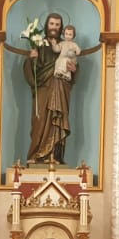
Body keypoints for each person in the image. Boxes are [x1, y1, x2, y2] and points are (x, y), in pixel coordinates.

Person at [25, 11, 71, 163]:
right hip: (43, 88)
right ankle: (36, 155)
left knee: (57, 122)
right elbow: (31, 70)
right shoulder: (38, 43)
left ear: (61, 27)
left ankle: (55, 156)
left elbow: (73, 66)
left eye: (57, 25)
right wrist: (32, 59)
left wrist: (73, 68)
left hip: (60, 88)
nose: (54, 27)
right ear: (46, 25)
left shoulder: (66, 46)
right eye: (52, 24)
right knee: (40, 121)